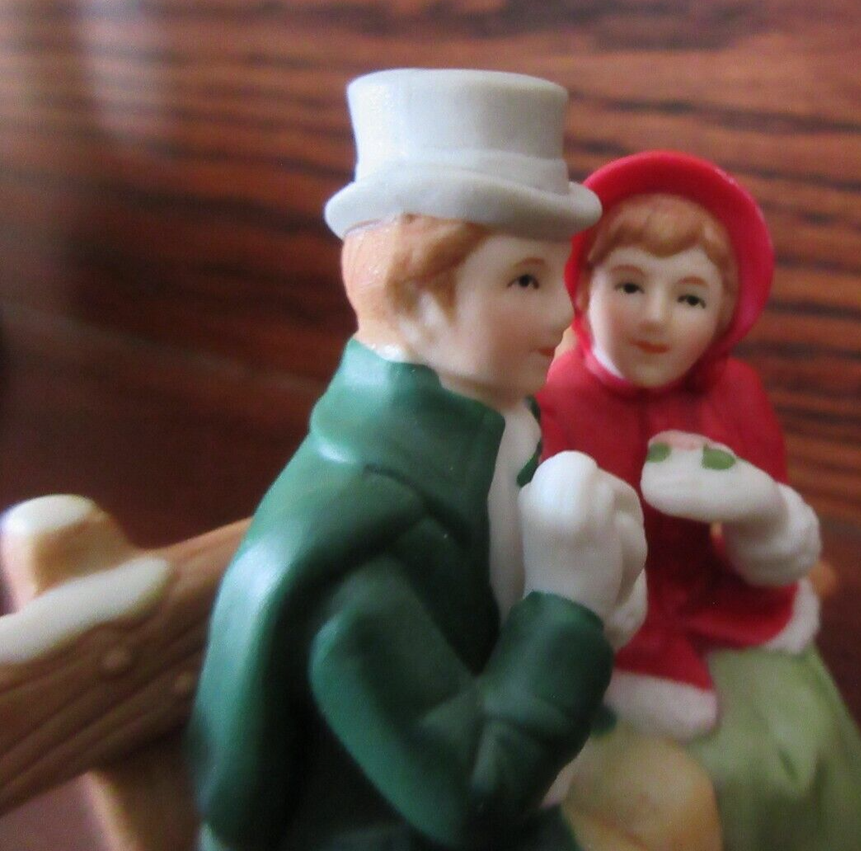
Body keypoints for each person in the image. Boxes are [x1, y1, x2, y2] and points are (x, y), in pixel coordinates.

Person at [186, 70, 646, 851]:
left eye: (556, 273)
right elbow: (468, 791)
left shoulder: (501, 432)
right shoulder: (361, 556)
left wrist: (603, 591)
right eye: (525, 279)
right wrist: (567, 605)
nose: (562, 311)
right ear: (420, 298)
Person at [538, 150, 861, 851]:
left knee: (803, 720)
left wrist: (757, 510)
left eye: (689, 298)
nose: (655, 319)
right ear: (584, 288)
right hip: (609, 637)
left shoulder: (732, 393)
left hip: (715, 599)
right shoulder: (554, 403)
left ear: (723, 316)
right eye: (629, 285)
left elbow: (771, 542)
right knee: (736, 772)